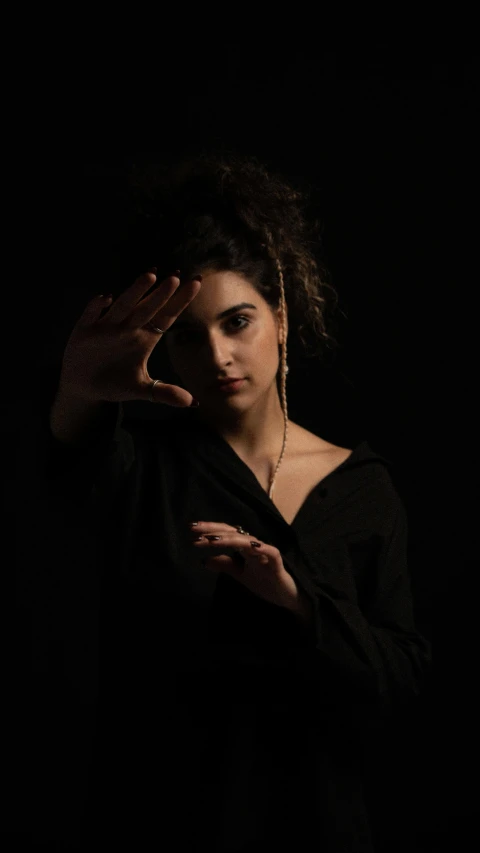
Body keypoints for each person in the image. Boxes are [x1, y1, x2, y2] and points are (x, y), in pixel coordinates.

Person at [36, 149, 430, 851]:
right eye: (189, 336)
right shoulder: (141, 466)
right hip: (160, 823)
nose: (217, 355)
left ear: (281, 315)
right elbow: (64, 477)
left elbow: (400, 685)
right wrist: (76, 393)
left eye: (237, 322)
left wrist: (296, 600)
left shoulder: (364, 491)